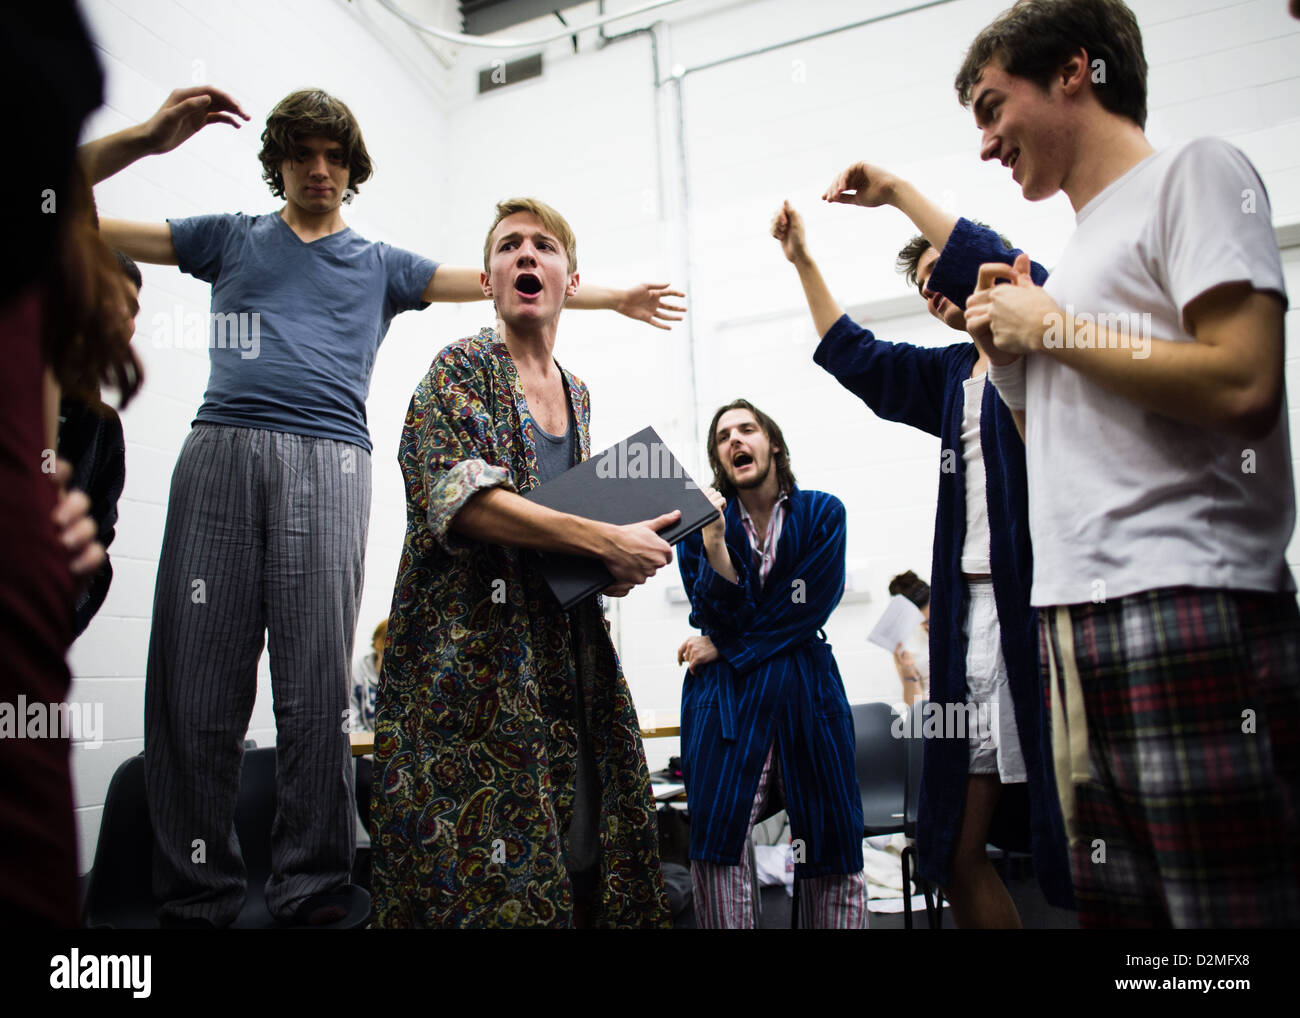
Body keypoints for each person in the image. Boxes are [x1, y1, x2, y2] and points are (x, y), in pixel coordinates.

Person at [79, 86, 685, 928]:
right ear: (280, 163)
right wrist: (147, 139)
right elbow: (63, 210)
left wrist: (612, 296)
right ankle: (197, 894)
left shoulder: (380, 264)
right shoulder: (229, 238)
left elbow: (513, 281)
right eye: (302, 153)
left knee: (313, 693)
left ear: (352, 170)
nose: (319, 169)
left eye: (335, 156)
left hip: (329, 463)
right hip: (220, 449)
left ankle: (311, 891)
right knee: (193, 690)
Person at [958, 0, 1298, 927]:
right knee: (1134, 927)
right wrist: (1015, 365)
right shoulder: (1075, 259)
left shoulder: (1196, 172)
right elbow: (1066, 458)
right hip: (1074, 621)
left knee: (1224, 922)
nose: (987, 142)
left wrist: (1052, 327)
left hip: (1185, 601)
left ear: (1075, 71)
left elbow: (1245, 383)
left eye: (993, 107)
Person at [369, 198, 675, 928]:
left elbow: (562, 533)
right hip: (464, 673)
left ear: (571, 279)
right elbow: (460, 497)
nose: (526, 256)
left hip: (560, 665)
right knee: (474, 883)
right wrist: (602, 541)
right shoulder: (459, 369)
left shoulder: (580, 393)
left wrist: (616, 563)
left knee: (572, 862)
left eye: (544, 246)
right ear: (487, 281)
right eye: (509, 247)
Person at [772, 183, 1072, 925]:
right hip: (968, 627)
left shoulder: (1050, 345)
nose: (936, 294)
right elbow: (855, 355)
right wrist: (804, 259)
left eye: (945, 273)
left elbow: (1015, 270)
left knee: (1080, 837)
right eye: (924, 290)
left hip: (1042, 613)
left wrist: (900, 194)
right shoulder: (946, 378)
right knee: (950, 850)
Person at [676, 399, 868, 928]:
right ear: (719, 458)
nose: (736, 440)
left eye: (747, 429)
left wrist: (726, 645)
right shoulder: (699, 526)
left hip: (807, 691)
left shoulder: (824, 513)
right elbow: (707, 610)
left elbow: (807, 608)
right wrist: (715, 545)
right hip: (728, 702)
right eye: (723, 437)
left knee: (829, 841)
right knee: (719, 845)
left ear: (773, 443)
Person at [58, 250, 140, 637]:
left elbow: (97, 550)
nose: (124, 319)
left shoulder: (103, 427)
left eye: (133, 309)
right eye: (112, 300)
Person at [888, 570, 930, 707]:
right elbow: (915, 706)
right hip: (933, 714)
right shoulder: (904, 645)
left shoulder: (957, 627)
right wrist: (908, 670)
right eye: (925, 622)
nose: (930, 627)